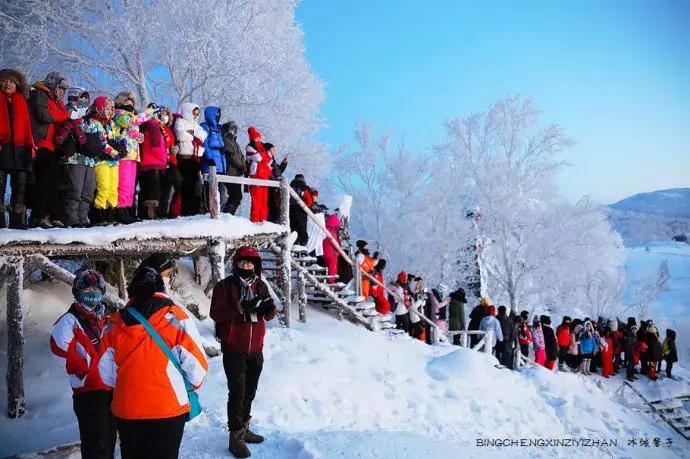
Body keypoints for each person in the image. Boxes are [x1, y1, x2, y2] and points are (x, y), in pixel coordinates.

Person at [99, 267, 208, 459]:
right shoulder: (178, 318)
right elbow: (197, 368)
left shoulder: (113, 324)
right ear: (160, 289)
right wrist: (190, 386)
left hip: (127, 409)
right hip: (168, 408)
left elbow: (105, 374)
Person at [210, 246, 276, 458]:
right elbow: (216, 313)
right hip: (234, 348)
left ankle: (244, 427)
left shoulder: (260, 285)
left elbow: (269, 315)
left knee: (250, 390)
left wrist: (268, 308)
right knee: (237, 392)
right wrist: (239, 307)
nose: (247, 266)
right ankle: (235, 437)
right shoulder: (224, 286)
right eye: (243, 263)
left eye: (250, 263)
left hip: (256, 348)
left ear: (256, 266)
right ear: (236, 263)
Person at [51, 268, 116, 459]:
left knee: (109, 442)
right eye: (87, 291)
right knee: (96, 447)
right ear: (78, 293)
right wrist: (85, 372)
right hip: (90, 394)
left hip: (111, 391)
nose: (92, 294)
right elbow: (58, 353)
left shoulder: (104, 318)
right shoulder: (69, 321)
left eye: (96, 290)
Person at [28, 71, 70, 228]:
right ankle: (39, 215)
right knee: (43, 182)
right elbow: (43, 115)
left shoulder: (56, 101)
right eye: (60, 88)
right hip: (42, 145)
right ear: (53, 85)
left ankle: (52, 215)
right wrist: (63, 115)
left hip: (53, 147)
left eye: (64, 90)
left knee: (53, 183)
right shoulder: (40, 94)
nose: (62, 92)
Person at [0, 68, 33, 229]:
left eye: (12, 81)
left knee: (19, 185)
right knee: (0, 185)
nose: (8, 84)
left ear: (17, 85)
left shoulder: (21, 101)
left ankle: (17, 220)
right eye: (5, 80)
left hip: (20, 147)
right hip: (2, 146)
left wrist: (30, 146)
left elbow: (27, 126)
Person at [57, 87, 94, 227]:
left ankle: (83, 217)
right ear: (74, 98)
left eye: (86, 98)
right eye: (81, 97)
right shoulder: (68, 112)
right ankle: (71, 217)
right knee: (75, 189)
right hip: (74, 157)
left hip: (89, 159)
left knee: (88, 190)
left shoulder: (87, 116)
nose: (84, 101)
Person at [83, 96, 123, 226]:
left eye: (112, 108)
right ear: (100, 108)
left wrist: (121, 145)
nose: (110, 111)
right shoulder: (94, 122)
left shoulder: (111, 124)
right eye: (107, 108)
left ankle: (111, 214)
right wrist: (112, 150)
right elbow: (98, 142)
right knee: (103, 187)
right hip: (102, 160)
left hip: (113, 161)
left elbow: (116, 137)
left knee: (113, 188)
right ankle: (99, 215)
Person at [138, 104, 171, 219]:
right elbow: (157, 146)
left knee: (146, 189)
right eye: (162, 114)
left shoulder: (148, 125)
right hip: (153, 162)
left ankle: (143, 214)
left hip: (147, 163)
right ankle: (151, 215)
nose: (163, 117)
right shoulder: (153, 126)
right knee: (154, 191)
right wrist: (163, 160)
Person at [174, 102, 207, 216]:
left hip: (195, 158)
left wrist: (191, 135)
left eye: (197, 113)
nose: (195, 116)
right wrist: (193, 135)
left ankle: (193, 210)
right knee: (186, 185)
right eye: (194, 113)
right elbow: (180, 135)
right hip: (184, 158)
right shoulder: (180, 122)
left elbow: (203, 135)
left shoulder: (196, 124)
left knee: (194, 185)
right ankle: (185, 210)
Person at [245, 127, 272, 223]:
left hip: (265, 177)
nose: (258, 139)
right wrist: (264, 156)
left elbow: (270, 159)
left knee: (264, 202)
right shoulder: (250, 147)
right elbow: (258, 158)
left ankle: (263, 221)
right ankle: (255, 222)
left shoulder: (263, 147)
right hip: (255, 176)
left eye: (259, 137)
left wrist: (263, 156)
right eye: (256, 138)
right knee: (256, 202)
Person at [219, 121, 245, 214]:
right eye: (232, 128)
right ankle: (226, 215)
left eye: (235, 128)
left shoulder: (235, 142)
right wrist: (241, 166)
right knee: (236, 195)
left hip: (236, 173)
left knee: (237, 196)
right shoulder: (225, 140)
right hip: (230, 172)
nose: (234, 130)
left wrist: (243, 166)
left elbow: (241, 156)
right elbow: (232, 156)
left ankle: (227, 215)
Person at [263, 143, 288, 224]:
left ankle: (272, 222)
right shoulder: (268, 159)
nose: (275, 151)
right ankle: (271, 222)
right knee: (271, 205)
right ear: (268, 150)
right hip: (269, 185)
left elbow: (278, 172)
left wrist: (284, 163)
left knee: (274, 205)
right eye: (273, 149)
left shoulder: (272, 160)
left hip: (273, 185)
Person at [289, 174, 313, 244]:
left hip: (291, 211)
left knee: (292, 229)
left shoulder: (290, 187)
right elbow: (309, 201)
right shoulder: (304, 188)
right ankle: (302, 245)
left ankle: (293, 245)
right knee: (302, 230)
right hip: (301, 212)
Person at [322, 213, 341, 283]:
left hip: (325, 253)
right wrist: (339, 249)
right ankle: (331, 283)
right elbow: (335, 243)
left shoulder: (325, 229)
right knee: (332, 269)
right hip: (332, 254)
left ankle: (329, 282)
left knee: (328, 268)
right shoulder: (332, 232)